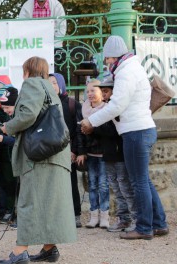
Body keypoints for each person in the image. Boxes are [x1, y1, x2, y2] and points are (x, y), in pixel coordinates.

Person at [81, 35, 169, 240]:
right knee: (143, 181)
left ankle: (145, 227)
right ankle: (159, 223)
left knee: (138, 182)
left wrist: (91, 121)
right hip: (141, 130)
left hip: (135, 132)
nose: (107, 63)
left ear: (115, 56)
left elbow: (117, 105)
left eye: (108, 59)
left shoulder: (126, 72)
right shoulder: (131, 69)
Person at [0, 57, 77, 264]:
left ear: (27, 71)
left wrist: (9, 126)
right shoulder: (50, 88)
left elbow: (28, 115)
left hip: (39, 156)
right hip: (54, 154)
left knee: (29, 202)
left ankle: (20, 252)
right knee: (49, 203)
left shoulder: (31, 83)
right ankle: (49, 248)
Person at [93, 77, 137, 232]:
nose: (103, 94)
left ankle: (135, 219)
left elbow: (116, 130)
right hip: (108, 154)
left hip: (119, 154)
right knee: (116, 188)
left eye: (106, 91)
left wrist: (94, 127)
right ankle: (123, 218)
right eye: (102, 91)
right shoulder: (106, 108)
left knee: (125, 187)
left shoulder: (118, 108)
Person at [49, 73, 84, 228]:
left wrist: (75, 151)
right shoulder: (45, 105)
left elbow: (78, 130)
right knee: (54, 185)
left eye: (54, 83)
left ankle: (75, 214)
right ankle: (58, 215)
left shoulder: (71, 104)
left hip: (69, 151)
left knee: (71, 183)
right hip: (51, 151)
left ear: (61, 84)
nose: (51, 86)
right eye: (48, 83)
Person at [80, 79, 110, 229]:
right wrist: (82, 151)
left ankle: (105, 215)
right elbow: (81, 134)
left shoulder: (108, 109)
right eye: (88, 91)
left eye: (93, 90)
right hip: (91, 153)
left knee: (104, 185)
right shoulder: (84, 109)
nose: (90, 94)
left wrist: (92, 129)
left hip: (104, 153)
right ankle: (94, 215)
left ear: (101, 92)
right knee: (92, 185)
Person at [0, 87, 19, 225]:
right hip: (7, 158)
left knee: (20, 187)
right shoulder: (5, 115)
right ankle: (10, 211)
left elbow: (21, 141)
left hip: (21, 158)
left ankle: (21, 215)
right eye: (3, 107)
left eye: (7, 107)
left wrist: (4, 139)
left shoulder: (22, 116)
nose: (5, 110)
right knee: (9, 184)